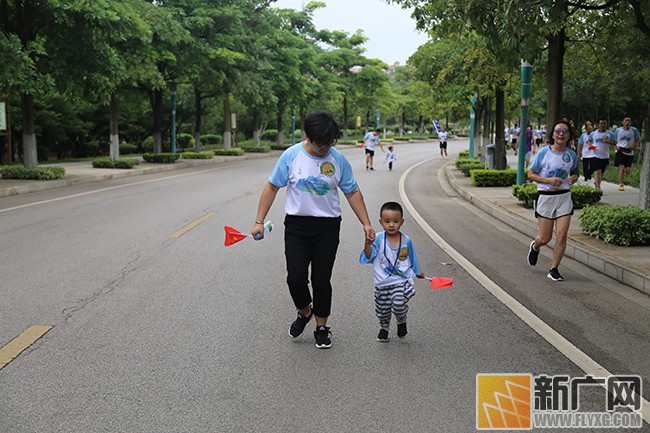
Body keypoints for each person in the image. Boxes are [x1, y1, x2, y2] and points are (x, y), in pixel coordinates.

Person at [252, 111, 375, 349]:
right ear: (308, 136)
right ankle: (304, 311)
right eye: (322, 143)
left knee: (321, 279)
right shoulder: (291, 156)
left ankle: (321, 327)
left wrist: (366, 223)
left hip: (327, 227)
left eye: (331, 142)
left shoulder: (337, 159)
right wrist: (259, 220)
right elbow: (272, 187)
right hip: (297, 226)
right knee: (295, 278)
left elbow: (352, 191)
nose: (326, 148)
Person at [360, 201, 425, 341]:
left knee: (398, 304)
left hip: (399, 281)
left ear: (401, 222)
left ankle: (401, 321)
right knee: (382, 310)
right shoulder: (377, 238)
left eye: (395, 221)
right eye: (387, 221)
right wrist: (367, 243)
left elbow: (412, 258)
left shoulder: (406, 241)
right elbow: (368, 256)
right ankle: (384, 328)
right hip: (382, 283)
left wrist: (418, 272)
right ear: (381, 222)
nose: (391, 225)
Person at [526, 120, 579, 282]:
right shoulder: (544, 153)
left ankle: (554, 269)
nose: (561, 134)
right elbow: (531, 174)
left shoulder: (572, 155)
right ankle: (535, 246)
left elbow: (575, 174)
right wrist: (549, 181)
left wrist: (573, 179)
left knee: (562, 235)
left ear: (569, 135)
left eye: (564, 131)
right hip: (546, 197)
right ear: (553, 135)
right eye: (558, 131)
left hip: (564, 197)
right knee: (545, 238)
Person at [587, 117, 616, 189]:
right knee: (598, 171)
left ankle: (596, 181)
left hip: (605, 156)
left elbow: (615, 143)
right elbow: (589, 140)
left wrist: (608, 142)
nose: (603, 125)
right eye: (601, 123)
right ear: (598, 124)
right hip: (595, 155)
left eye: (604, 123)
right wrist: (590, 145)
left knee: (601, 172)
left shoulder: (610, 134)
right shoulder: (593, 133)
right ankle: (598, 188)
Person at [613, 116, 640, 191]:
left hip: (629, 151)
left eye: (629, 121)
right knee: (622, 168)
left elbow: (638, 138)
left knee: (628, 169)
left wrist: (634, 145)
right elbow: (613, 139)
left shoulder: (633, 130)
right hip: (620, 150)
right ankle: (621, 184)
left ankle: (624, 175)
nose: (627, 122)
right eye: (626, 121)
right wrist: (616, 146)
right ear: (622, 122)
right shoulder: (618, 130)